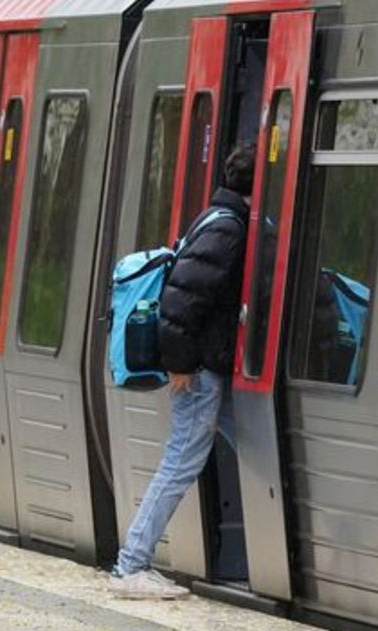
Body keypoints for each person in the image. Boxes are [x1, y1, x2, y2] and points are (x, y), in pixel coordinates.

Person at [108, 142, 256, 599]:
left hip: (207, 367)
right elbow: (179, 302)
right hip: (199, 371)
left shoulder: (216, 218)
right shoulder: (228, 230)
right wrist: (181, 366)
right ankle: (132, 565)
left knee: (259, 441)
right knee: (179, 464)